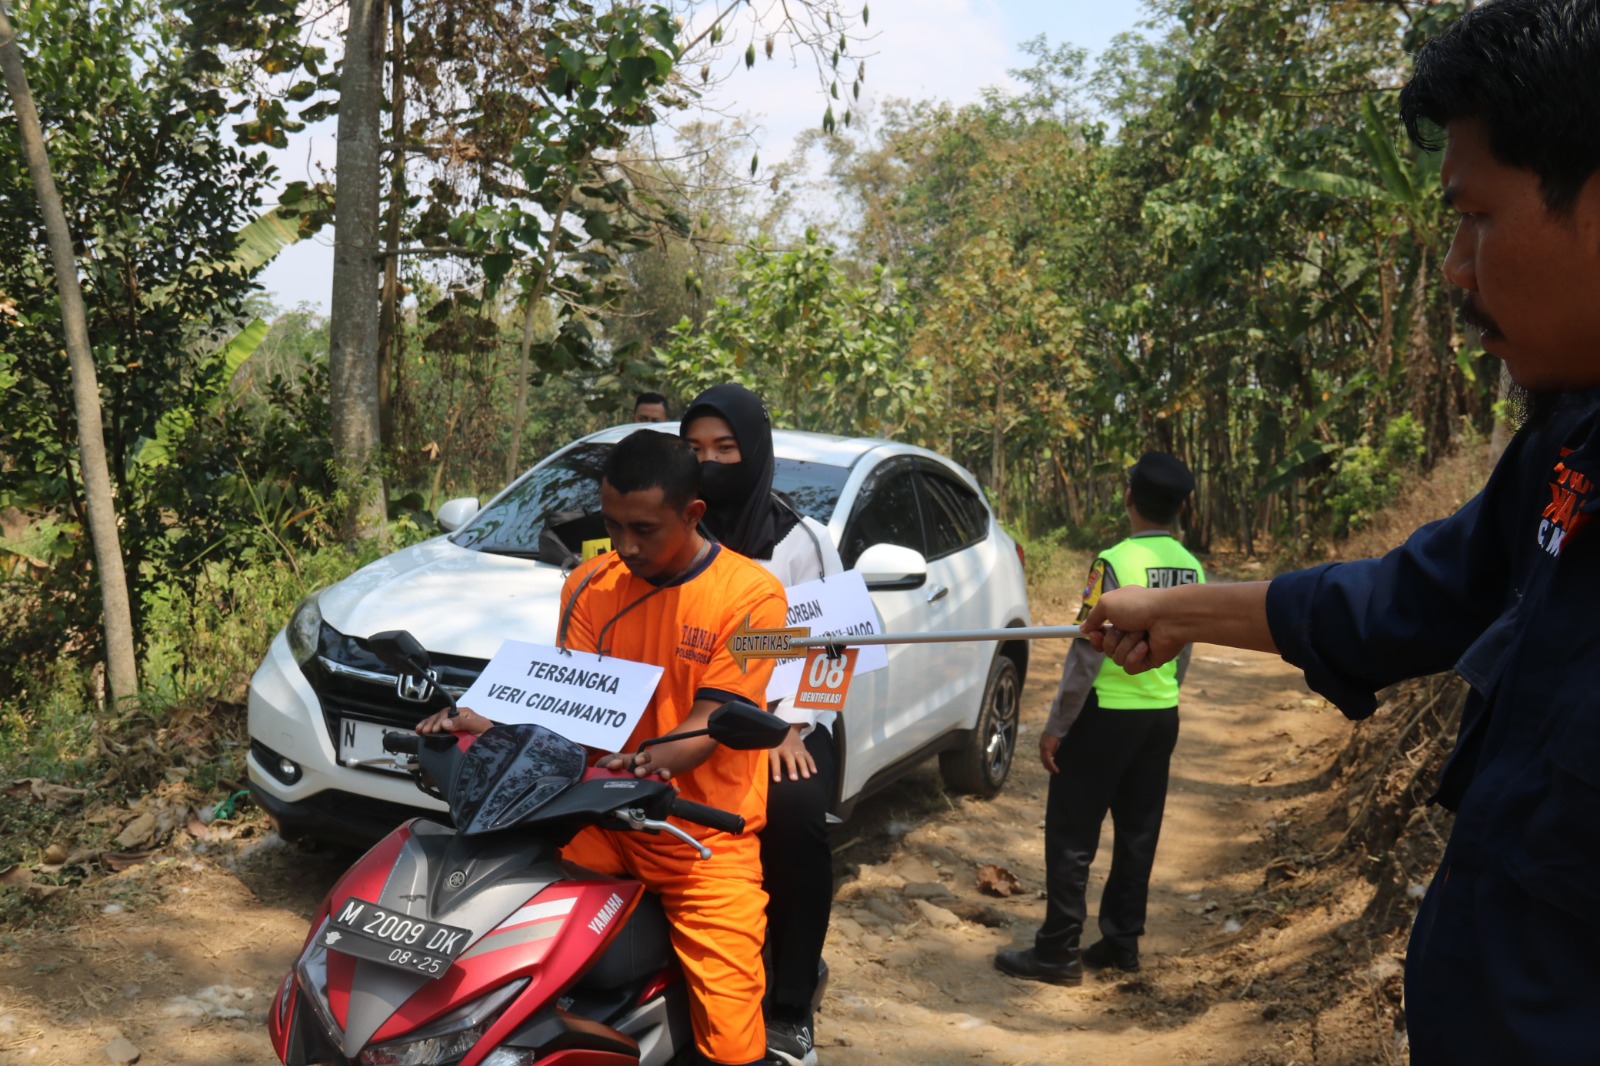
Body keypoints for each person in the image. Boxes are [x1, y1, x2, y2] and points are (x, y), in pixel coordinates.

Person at [1081, 2, 1600, 1059]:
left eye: (1476, 217)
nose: (1456, 268)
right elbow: (1408, 598)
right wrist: (1178, 611)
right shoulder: (1571, 447)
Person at [419, 429, 786, 1066]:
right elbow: (565, 697)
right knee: (484, 943)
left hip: (698, 839)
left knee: (731, 1039)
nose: (625, 546)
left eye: (644, 529)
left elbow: (715, 717)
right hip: (594, 816)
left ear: (693, 513)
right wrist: (480, 719)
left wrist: (648, 760)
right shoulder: (590, 584)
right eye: (613, 526)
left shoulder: (761, 598)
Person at [995, 453, 1204, 986]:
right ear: (1182, 507)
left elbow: (1087, 653)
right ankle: (1121, 943)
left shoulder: (1113, 561)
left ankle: (1058, 952)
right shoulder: (1192, 567)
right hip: (1160, 716)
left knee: (1072, 833)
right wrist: (1165, 690)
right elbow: (1183, 649)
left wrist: (1056, 726)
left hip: (1104, 715)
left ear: (1128, 496)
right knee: (1138, 833)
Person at [680, 384, 842, 1066]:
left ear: (755, 453)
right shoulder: (669, 531)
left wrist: (790, 727)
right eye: (693, 450)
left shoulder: (802, 542)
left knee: (797, 815)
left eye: (726, 448)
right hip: (688, 720)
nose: (710, 463)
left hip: (783, 725)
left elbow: (827, 649)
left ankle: (790, 1003)